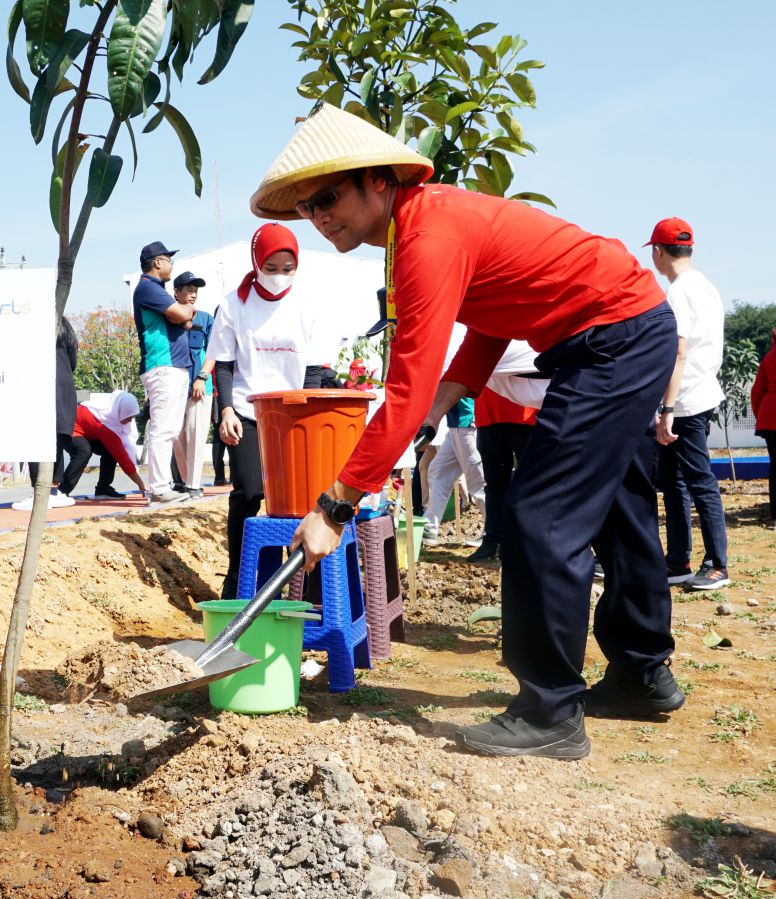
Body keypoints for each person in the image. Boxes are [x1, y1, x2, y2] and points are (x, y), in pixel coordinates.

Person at [253, 102, 685, 759]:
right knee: (619, 510)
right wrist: (442, 403)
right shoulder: (427, 224)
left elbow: (404, 388)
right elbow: (495, 317)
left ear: (378, 181)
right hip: (628, 329)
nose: (317, 217)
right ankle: (640, 673)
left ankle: (549, 713)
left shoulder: (426, 237)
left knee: (541, 516)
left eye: (327, 196)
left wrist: (333, 507)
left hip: (611, 340)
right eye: (307, 206)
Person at [200, 222, 336, 599]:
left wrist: (306, 413)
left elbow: (316, 369)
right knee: (250, 490)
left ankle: (309, 590)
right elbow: (224, 364)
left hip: (295, 413)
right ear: (256, 262)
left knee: (304, 500)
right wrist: (225, 410)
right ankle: (238, 580)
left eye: (287, 269)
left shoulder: (308, 304)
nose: (279, 277)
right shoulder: (233, 304)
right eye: (271, 268)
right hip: (247, 410)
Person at [647, 218, 731, 590]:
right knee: (674, 481)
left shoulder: (679, 291)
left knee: (698, 481)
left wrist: (666, 409)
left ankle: (717, 563)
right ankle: (677, 560)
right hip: (698, 391)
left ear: (657, 252)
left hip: (686, 400)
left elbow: (677, 353)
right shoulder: (707, 287)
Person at [133, 241, 193, 504]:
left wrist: (183, 315)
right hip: (162, 366)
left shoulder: (158, 289)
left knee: (169, 429)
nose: (171, 265)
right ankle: (158, 488)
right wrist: (184, 312)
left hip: (173, 367)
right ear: (158, 262)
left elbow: (183, 319)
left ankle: (163, 486)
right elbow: (180, 315)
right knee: (162, 429)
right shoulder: (147, 287)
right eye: (169, 260)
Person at [470, 347, 541, 565]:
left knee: (533, 483)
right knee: (494, 483)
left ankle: (534, 545)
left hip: (526, 412)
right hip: (489, 413)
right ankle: (493, 543)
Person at [13, 315, 79, 511]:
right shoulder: (63, 323)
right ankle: (53, 492)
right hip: (64, 383)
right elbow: (73, 359)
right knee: (55, 439)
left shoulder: (32, 323)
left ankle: (41, 494)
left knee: (37, 439)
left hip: (41, 384)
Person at [59, 391, 148, 500]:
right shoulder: (105, 423)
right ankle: (61, 492)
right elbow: (123, 458)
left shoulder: (116, 410)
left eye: (132, 416)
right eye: (128, 416)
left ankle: (103, 489)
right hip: (68, 428)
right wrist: (141, 485)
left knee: (110, 451)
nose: (130, 420)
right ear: (121, 411)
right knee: (83, 452)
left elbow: (128, 445)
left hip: (88, 433)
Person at [422, 395, 485, 547]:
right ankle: (429, 527)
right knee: (438, 471)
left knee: (477, 482)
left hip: (468, 424)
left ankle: (495, 531)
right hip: (455, 426)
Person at [174, 270, 212, 499]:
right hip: (174, 385)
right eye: (188, 289)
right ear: (176, 292)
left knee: (196, 435)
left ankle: (193, 484)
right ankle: (186, 480)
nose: (193, 294)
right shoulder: (167, 317)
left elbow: (215, 351)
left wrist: (202, 377)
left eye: (195, 290)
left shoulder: (206, 319)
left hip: (200, 388)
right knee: (175, 435)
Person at [751, 329, 776, 528]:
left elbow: (757, 391)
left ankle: (775, 515)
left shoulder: (768, 358)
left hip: (770, 418)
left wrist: (760, 415)